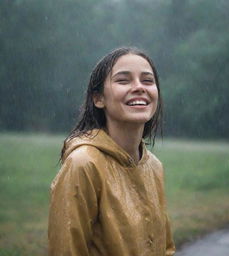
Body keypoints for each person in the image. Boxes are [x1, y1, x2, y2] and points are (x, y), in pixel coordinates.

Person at [48, 47, 175, 256]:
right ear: (98, 99)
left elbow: (166, 247)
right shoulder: (84, 164)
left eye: (147, 80)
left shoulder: (154, 166)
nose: (139, 88)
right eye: (123, 80)